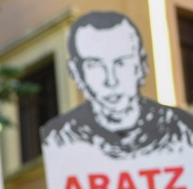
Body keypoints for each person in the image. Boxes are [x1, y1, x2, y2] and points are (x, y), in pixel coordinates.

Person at [42, 11, 193, 159]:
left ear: (141, 65)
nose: (111, 80)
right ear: (76, 72)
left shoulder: (183, 131)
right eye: (95, 65)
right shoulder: (59, 140)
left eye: (121, 63)